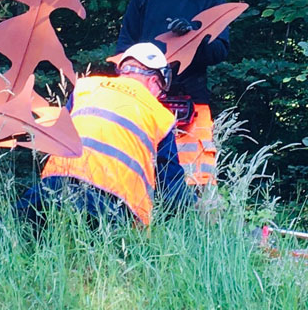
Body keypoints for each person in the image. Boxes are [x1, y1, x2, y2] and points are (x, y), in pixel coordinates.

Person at [18, 43, 194, 229]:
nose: (159, 97)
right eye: (161, 90)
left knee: (20, 236)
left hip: (52, 187)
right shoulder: (160, 115)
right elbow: (171, 187)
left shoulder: (86, 87)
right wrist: (195, 206)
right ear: (152, 81)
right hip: (112, 204)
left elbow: (60, 133)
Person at [116, 0, 229, 186]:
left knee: (196, 182)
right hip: (144, 100)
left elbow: (221, 50)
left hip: (192, 101)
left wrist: (194, 39)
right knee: (138, 177)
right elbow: (125, 44)